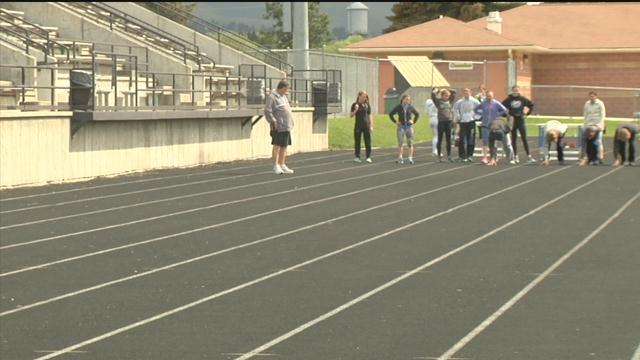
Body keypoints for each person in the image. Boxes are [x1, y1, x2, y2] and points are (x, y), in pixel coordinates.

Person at [264, 80, 295, 174]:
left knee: (284, 146)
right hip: (278, 126)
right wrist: (273, 121)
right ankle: (276, 165)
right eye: (286, 89)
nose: (287, 91)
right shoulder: (272, 97)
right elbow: (267, 111)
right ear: (281, 88)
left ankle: (282, 164)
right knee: (277, 146)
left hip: (286, 126)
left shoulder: (284, 97)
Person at [474, 90, 509, 164]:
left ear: (493, 96)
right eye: (487, 96)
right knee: (485, 141)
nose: (489, 97)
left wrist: (497, 114)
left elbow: (505, 110)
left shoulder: (496, 103)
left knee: (493, 142)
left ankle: (494, 157)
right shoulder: (483, 103)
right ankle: (485, 157)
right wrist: (482, 113)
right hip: (485, 125)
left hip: (493, 126)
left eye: (490, 96)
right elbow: (475, 109)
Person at [502, 85, 535, 163]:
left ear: (519, 91)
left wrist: (527, 114)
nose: (515, 92)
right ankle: (515, 156)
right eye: (514, 90)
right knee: (514, 138)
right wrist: (506, 115)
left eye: (517, 90)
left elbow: (531, 105)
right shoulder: (508, 99)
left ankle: (529, 156)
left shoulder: (522, 99)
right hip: (512, 120)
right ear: (512, 91)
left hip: (520, 119)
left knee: (524, 138)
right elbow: (501, 107)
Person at [389, 94, 420, 164]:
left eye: (409, 100)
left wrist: (413, 121)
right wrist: (396, 122)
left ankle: (410, 157)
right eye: (406, 99)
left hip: (409, 127)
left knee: (410, 143)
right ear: (402, 99)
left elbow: (417, 114)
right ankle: (400, 157)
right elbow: (391, 114)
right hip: (401, 127)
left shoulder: (410, 107)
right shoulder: (399, 107)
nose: (407, 101)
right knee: (400, 143)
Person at [453, 88, 480, 162]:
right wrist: (457, 117)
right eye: (464, 92)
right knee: (461, 138)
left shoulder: (474, 101)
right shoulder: (460, 102)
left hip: (471, 122)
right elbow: (455, 109)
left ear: (470, 92)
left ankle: (470, 155)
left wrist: (476, 116)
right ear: (463, 93)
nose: (466, 93)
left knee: (471, 139)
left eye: (467, 92)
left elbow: (480, 109)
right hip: (463, 122)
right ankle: (462, 156)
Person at [431, 88, 456, 162]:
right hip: (441, 122)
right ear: (442, 96)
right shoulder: (438, 102)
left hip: (448, 122)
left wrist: (446, 89)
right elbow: (433, 96)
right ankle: (439, 156)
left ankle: (449, 155)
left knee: (449, 140)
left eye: (448, 95)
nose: (447, 96)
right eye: (445, 95)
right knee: (440, 139)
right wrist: (438, 91)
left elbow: (454, 92)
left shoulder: (450, 101)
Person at [350, 90, 374, 163]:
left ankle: (368, 156)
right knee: (357, 141)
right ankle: (357, 156)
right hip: (358, 125)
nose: (365, 98)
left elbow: (370, 115)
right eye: (363, 96)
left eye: (366, 96)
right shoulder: (355, 104)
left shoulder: (367, 105)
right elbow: (351, 115)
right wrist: (356, 110)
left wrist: (371, 125)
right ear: (359, 96)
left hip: (366, 125)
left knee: (368, 141)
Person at [582, 91, 606, 164]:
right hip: (589, 124)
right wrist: (585, 125)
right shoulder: (587, 104)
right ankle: (589, 157)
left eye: (593, 96)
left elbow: (602, 114)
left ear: (596, 96)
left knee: (598, 141)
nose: (591, 98)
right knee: (589, 142)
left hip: (597, 124)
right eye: (590, 96)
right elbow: (585, 114)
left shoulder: (600, 103)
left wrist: (601, 125)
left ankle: (600, 157)